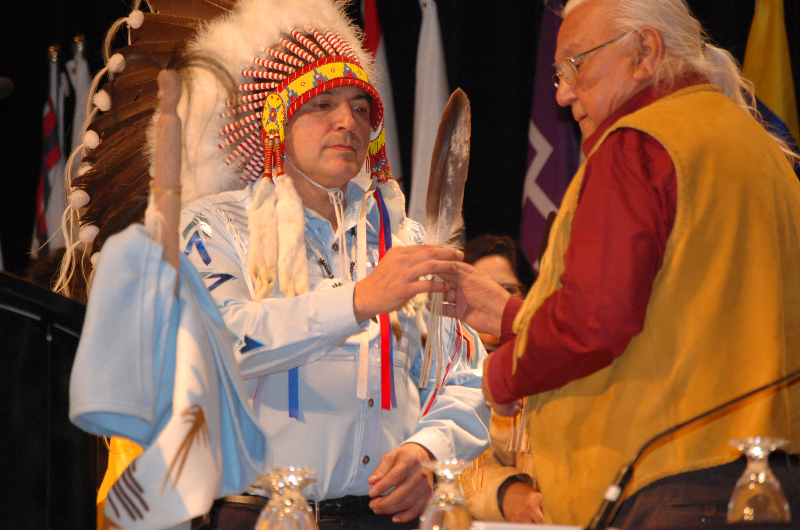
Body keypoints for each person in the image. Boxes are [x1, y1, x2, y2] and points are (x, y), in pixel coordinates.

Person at [442, 0, 800, 527]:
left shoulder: (636, 145)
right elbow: (683, 312)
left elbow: (596, 320)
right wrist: (516, 316)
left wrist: (498, 376)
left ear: (645, 52)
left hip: (670, 486)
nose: (562, 94)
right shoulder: (762, 148)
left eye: (575, 65)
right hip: (770, 482)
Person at [174, 1, 490, 528]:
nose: (348, 121)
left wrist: (425, 452)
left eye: (361, 108)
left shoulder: (401, 239)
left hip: (386, 516)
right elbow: (217, 343)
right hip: (263, 514)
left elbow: (466, 371)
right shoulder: (213, 226)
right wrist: (360, 299)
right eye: (321, 103)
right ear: (277, 118)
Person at [459, 234, 542, 523]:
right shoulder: (443, 372)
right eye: (481, 292)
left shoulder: (542, 364)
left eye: (507, 290)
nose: (493, 302)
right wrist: (506, 492)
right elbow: (459, 467)